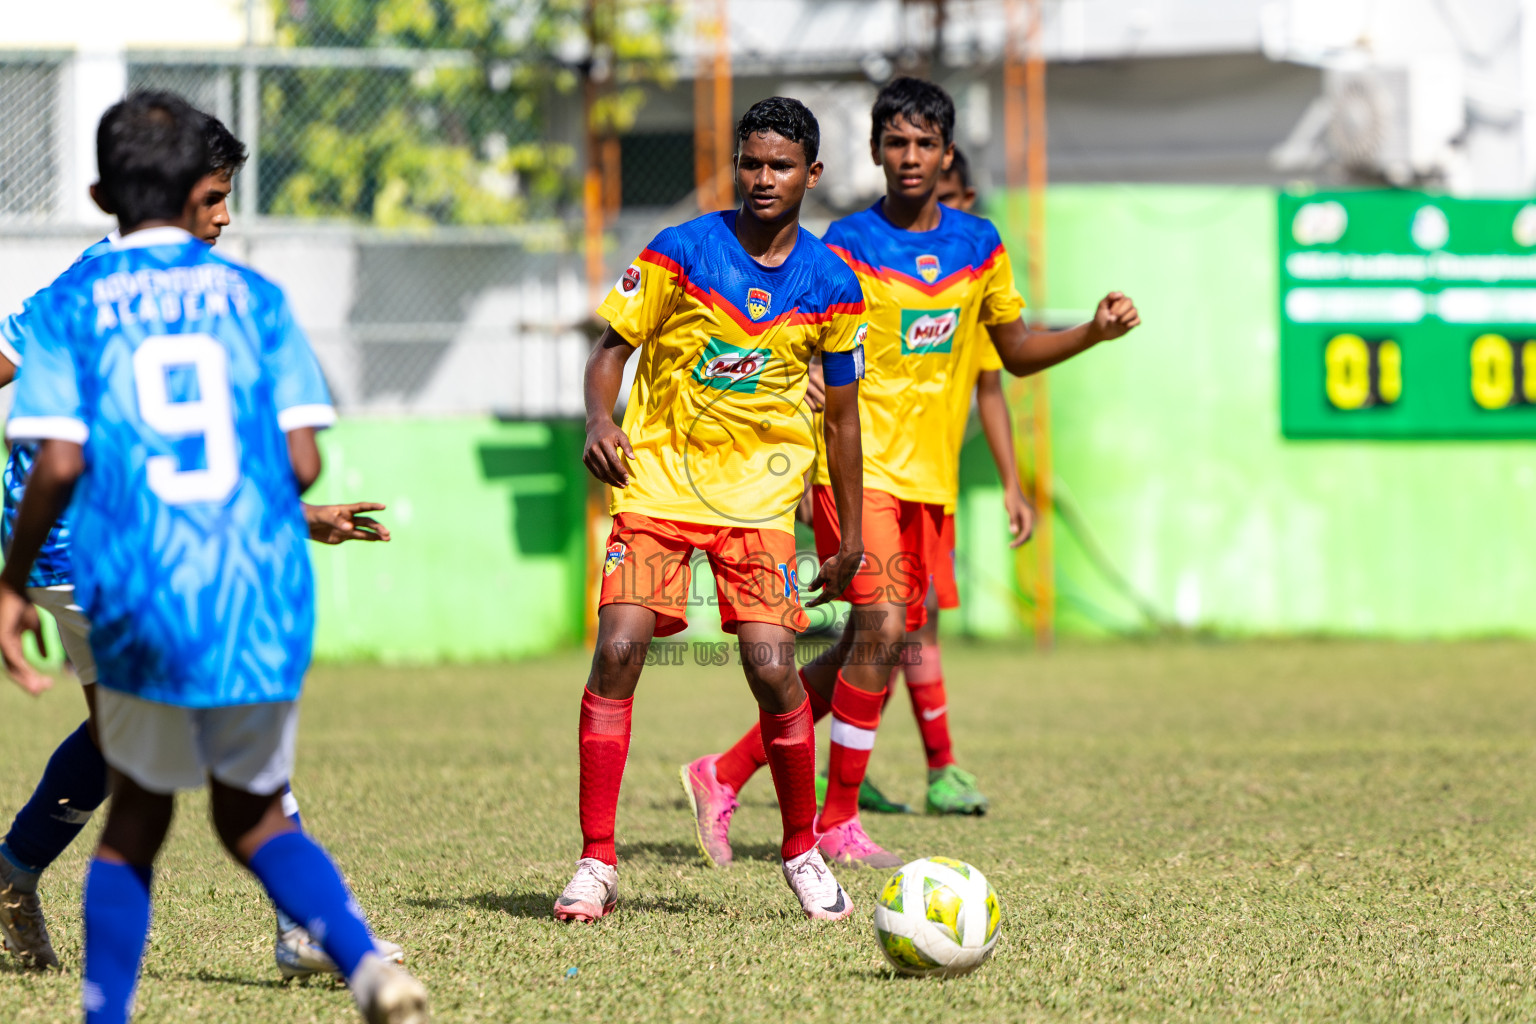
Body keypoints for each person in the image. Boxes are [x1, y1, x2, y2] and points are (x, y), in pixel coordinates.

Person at [0, 92, 427, 1024]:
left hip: (145, 548)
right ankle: (311, 928)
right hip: (90, 547)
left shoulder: (110, 297)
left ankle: (17, 881)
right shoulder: (217, 297)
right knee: (204, 771)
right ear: (178, 191)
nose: (226, 215)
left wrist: (297, 516)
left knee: (131, 761)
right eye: (214, 196)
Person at [683, 77, 1141, 869]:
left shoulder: (980, 244)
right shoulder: (844, 248)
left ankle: (723, 773)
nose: (910, 157)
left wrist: (1092, 335)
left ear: (947, 153)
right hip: (858, 472)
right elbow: (804, 351)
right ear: (873, 153)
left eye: (924, 144)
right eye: (895, 143)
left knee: (872, 642)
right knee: (888, 629)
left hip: (929, 478)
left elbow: (1015, 355)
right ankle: (836, 822)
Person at [557, 96, 866, 923]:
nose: (762, 179)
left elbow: (842, 417)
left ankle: (800, 849)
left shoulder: (833, 283)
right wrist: (599, 416)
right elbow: (609, 350)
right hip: (658, 485)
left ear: (812, 174)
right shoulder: (681, 251)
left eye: (781, 166)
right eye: (751, 162)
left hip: (759, 502)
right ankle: (596, 861)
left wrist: (852, 535)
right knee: (618, 649)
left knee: (772, 667)